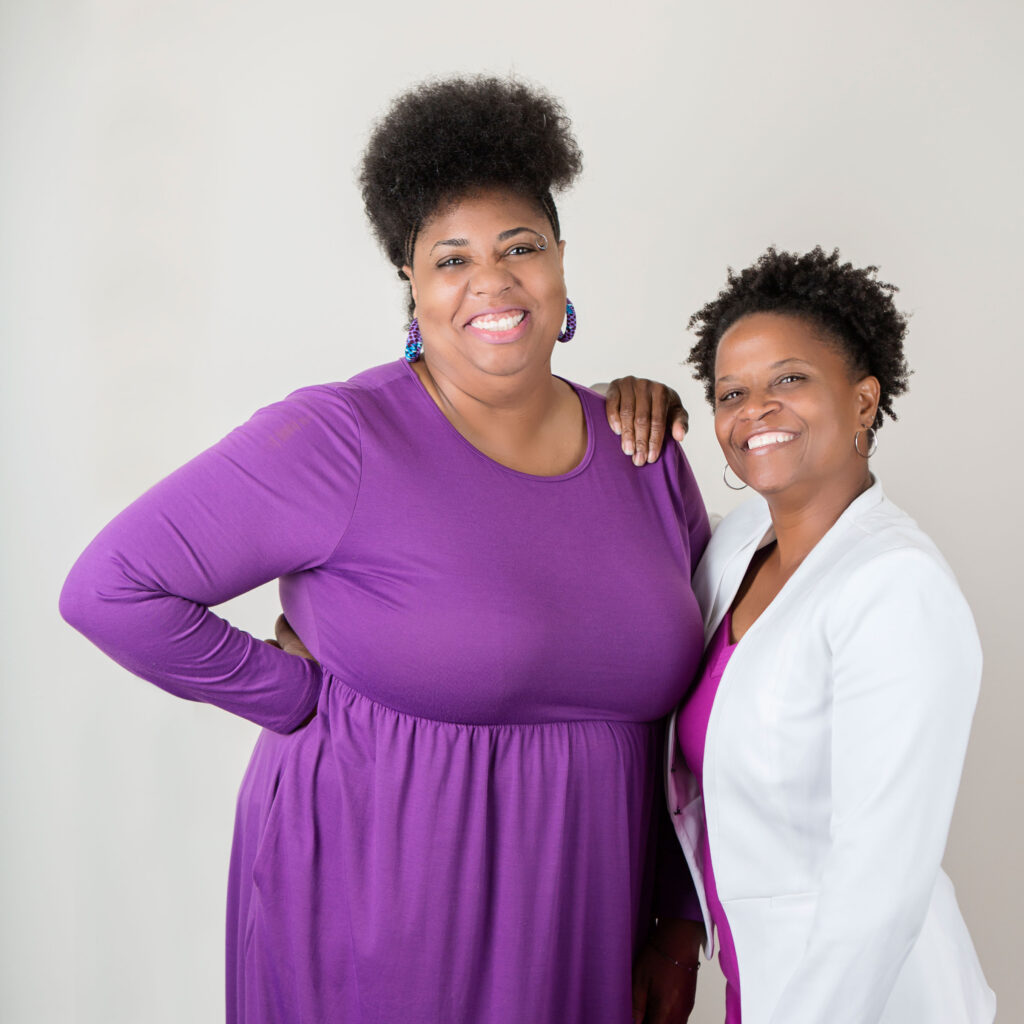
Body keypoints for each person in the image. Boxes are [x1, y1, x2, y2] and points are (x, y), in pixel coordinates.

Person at [59, 76, 707, 1024]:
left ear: (561, 260)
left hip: (587, 916)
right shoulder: (340, 439)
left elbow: (694, 714)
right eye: (452, 258)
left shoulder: (642, 450)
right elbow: (111, 588)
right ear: (411, 281)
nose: (492, 280)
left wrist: (677, 920)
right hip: (380, 907)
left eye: (520, 246)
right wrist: (294, 696)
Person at [663, 247, 995, 1022]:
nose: (755, 410)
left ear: (864, 400)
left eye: (789, 380)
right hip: (756, 984)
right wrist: (616, 403)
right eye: (732, 392)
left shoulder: (896, 587)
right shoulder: (736, 548)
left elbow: (879, 891)